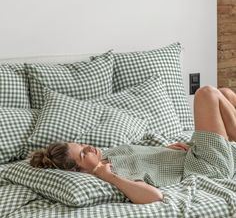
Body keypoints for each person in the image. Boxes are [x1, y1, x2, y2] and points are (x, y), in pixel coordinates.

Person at [30, 86, 236, 204]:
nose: (90, 147)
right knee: (206, 94)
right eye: (84, 154)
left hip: (191, 155)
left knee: (225, 93)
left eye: (83, 144)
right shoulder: (109, 176)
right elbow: (154, 196)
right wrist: (107, 175)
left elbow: (145, 155)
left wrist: (167, 149)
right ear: (79, 170)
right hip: (203, 170)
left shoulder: (109, 153)